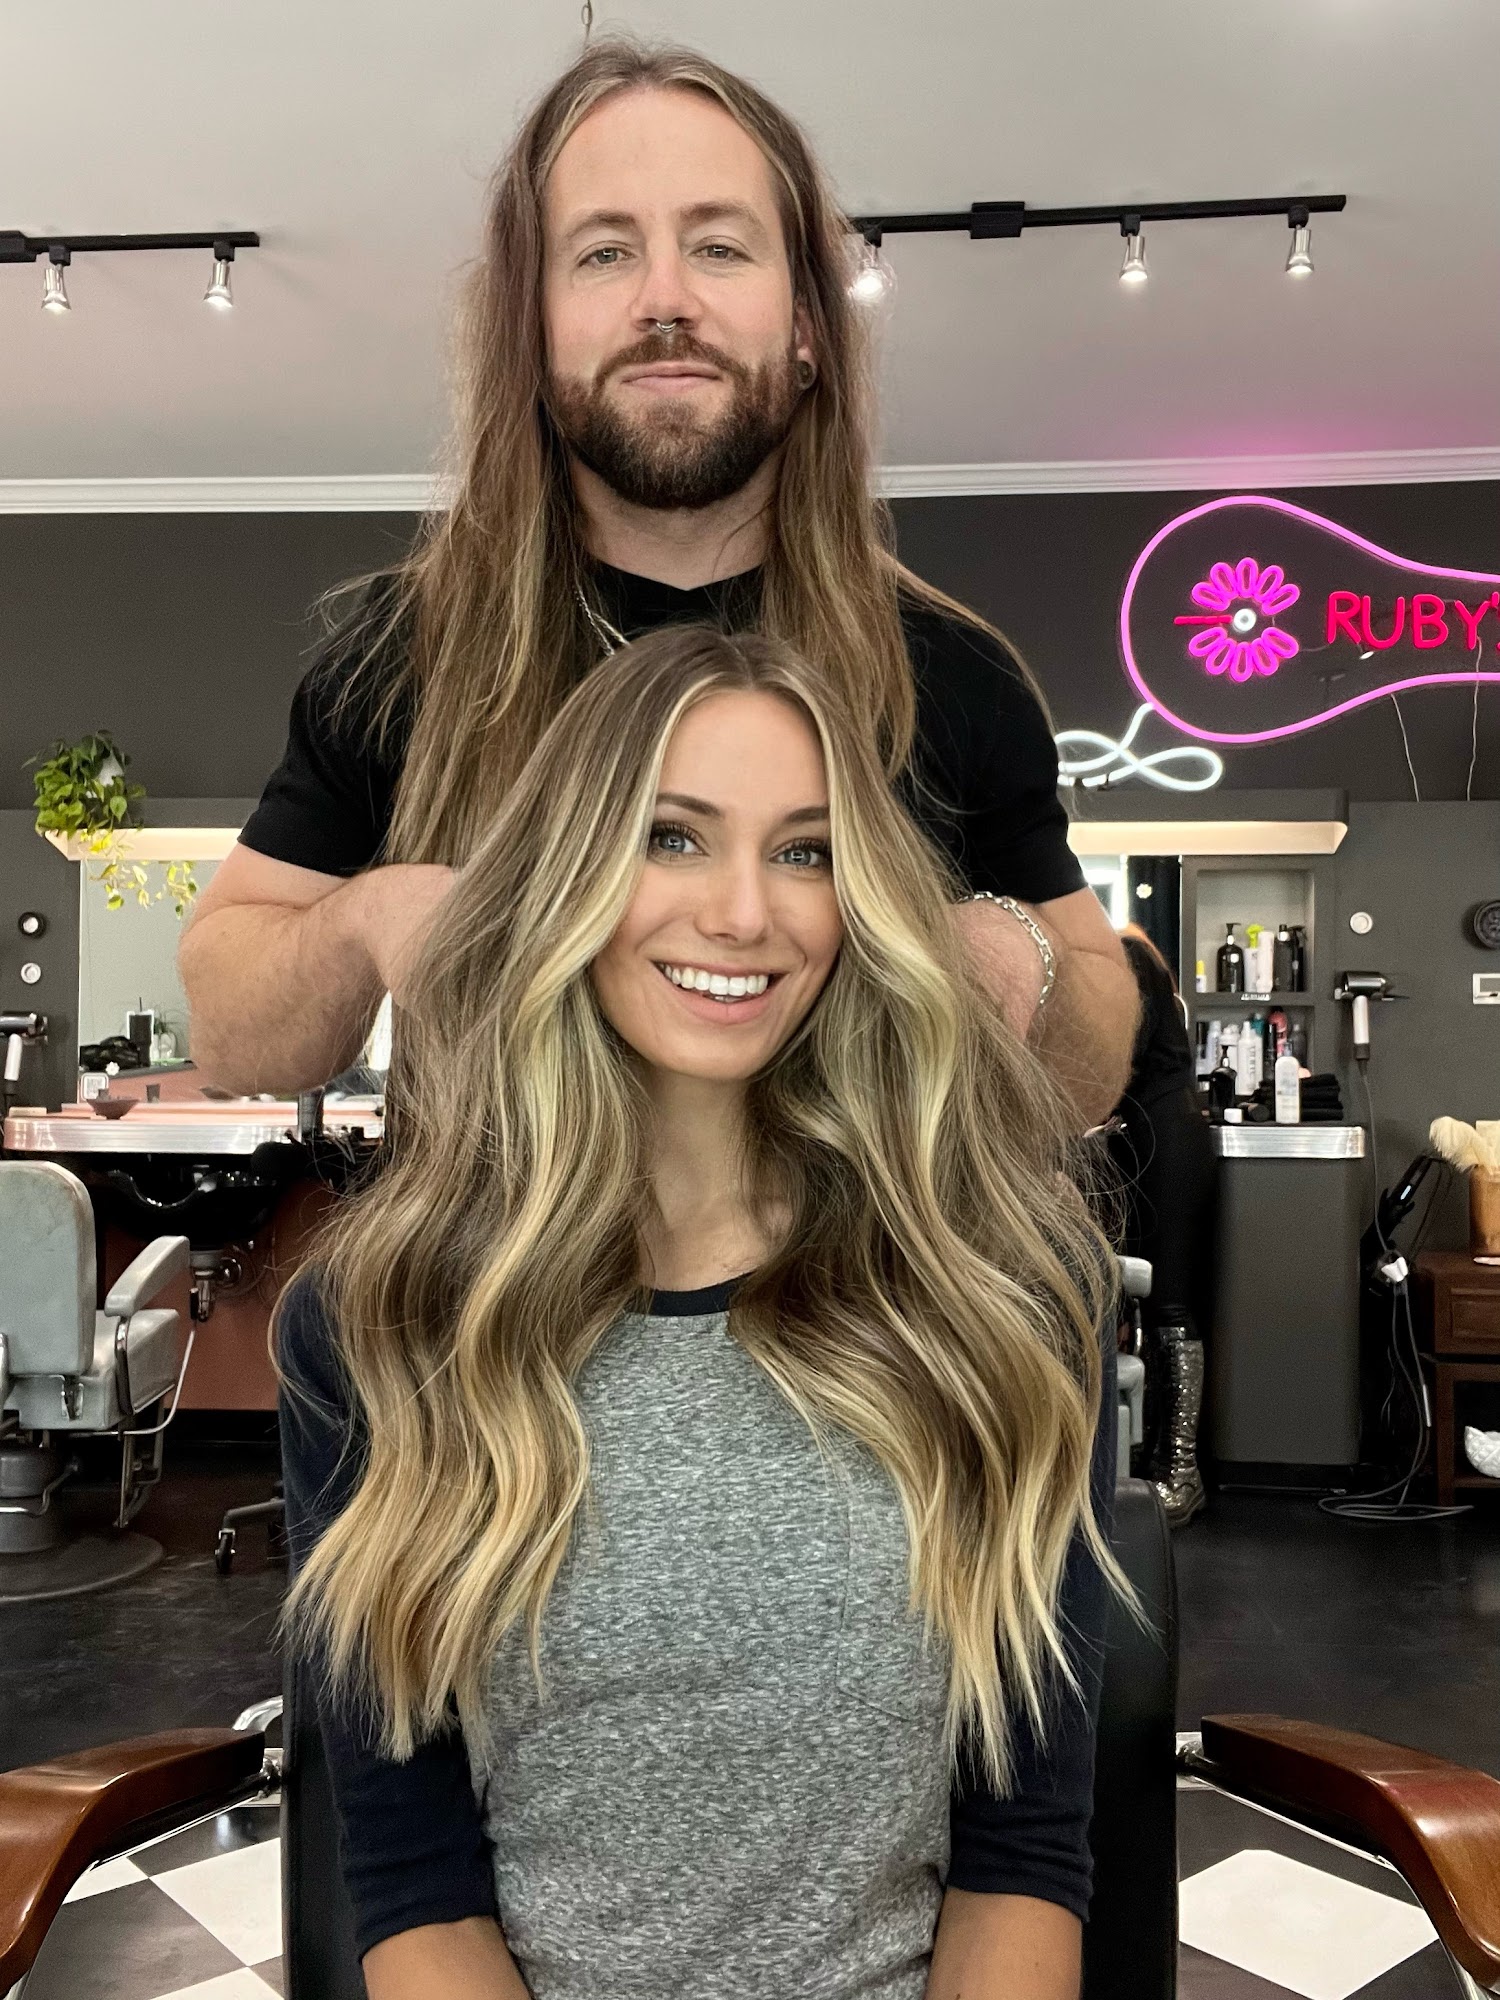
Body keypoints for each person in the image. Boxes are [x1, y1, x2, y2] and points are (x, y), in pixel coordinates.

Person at [279, 625, 1140, 2000]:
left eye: (805, 851)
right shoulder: (384, 1318)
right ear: (563, 873)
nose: (746, 913)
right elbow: (412, 1880)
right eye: (671, 836)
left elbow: (1024, 1851)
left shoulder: (1002, 1301)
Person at [180, 38, 1137, 1128]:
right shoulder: (407, 653)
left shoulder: (949, 673)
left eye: (719, 247)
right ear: (533, 333)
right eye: (603, 254)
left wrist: (1019, 958)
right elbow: (231, 1032)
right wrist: (370, 921)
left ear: (807, 328)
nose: (665, 298)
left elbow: (1093, 1062)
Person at [1108, 927, 1218, 1526]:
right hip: (1156, 1136)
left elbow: (1116, 1059)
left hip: (1167, 1144)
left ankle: (1181, 1470)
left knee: (1170, 1306)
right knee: (1154, 1307)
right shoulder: (1140, 961)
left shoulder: (1125, 960)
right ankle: (1158, 1465)